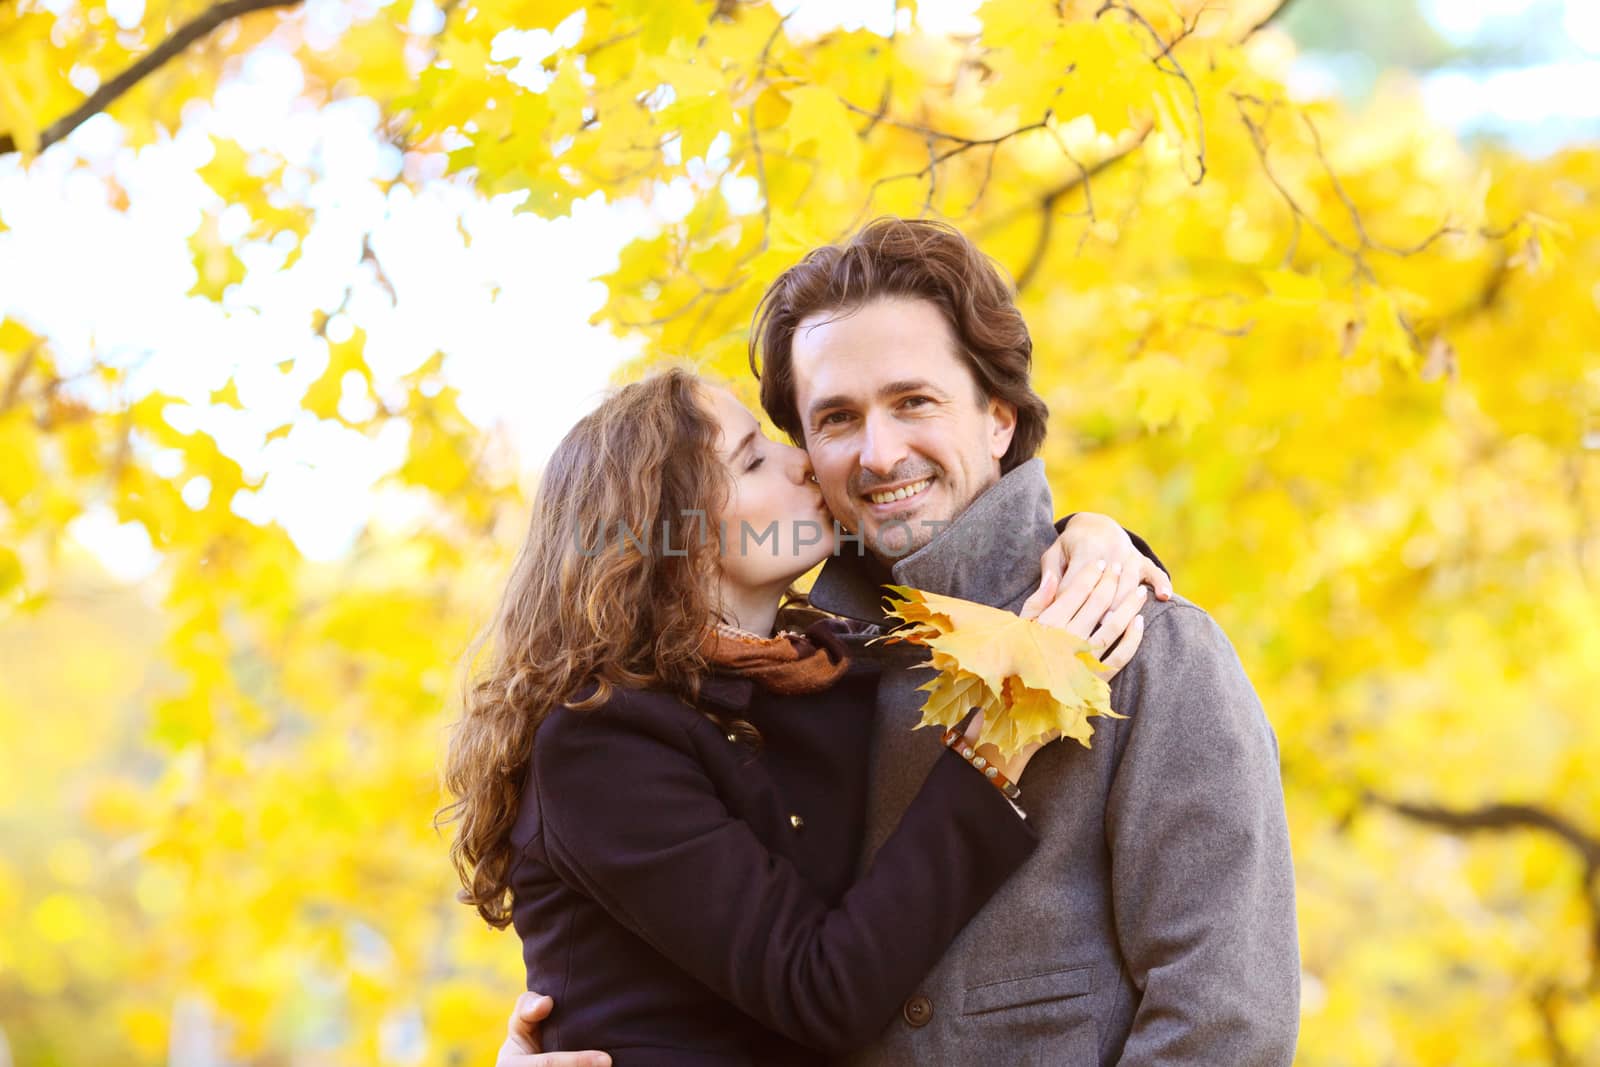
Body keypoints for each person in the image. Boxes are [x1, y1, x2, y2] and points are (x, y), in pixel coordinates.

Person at [495, 217, 1300, 1066]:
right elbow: (709, 972)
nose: (878, 453)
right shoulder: (796, 687)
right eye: (835, 419)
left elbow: (1224, 1029)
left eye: (914, 400)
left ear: (998, 417)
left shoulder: (1146, 652)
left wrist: (1101, 540)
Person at [443, 365, 1170, 1065]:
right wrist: (995, 747)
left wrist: (1092, 541)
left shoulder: (811, 672)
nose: (801, 463)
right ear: (673, 540)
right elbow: (822, 989)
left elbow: (970, 564)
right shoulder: (600, 743)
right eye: (753, 459)